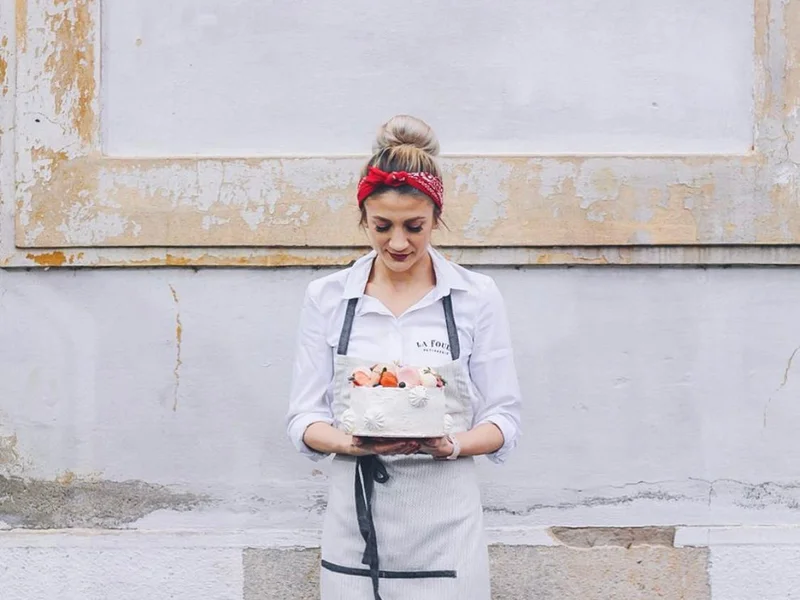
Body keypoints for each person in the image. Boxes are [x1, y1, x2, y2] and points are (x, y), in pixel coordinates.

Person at [285, 114, 522, 600]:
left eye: (414, 227)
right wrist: (353, 443)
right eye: (382, 226)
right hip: (357, 521)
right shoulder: (328, 297)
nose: (398, 243)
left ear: (437, 217)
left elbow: (505, 420)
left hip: (446, 526)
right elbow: (303, 419)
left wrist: (450, 445)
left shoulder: (475, 296)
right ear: (363, 219)